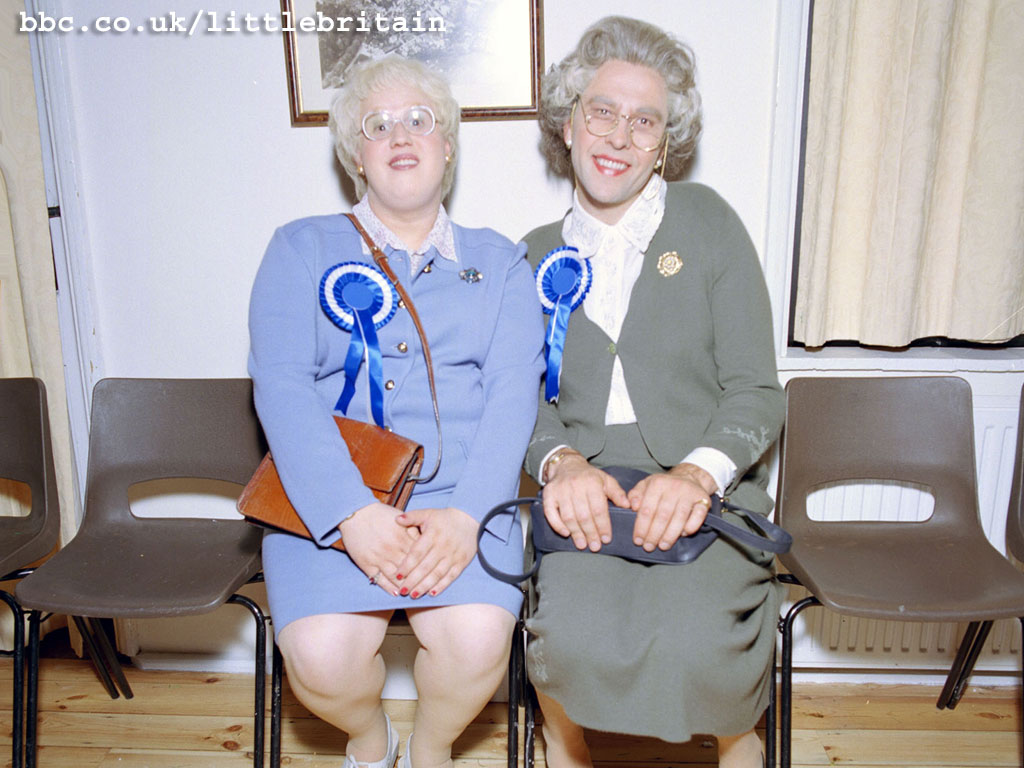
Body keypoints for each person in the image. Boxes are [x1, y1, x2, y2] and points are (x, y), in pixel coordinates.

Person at [248, 55, 544, 768]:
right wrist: (350, 514)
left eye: (419, 119)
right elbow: (282, 387)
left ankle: (430, 751)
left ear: (448, 145)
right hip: (331, 497)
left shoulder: (502, 263)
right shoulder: (298, 248)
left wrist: (468, 516)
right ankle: (370, 741)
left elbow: (514, 397)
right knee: (321, 659)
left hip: (463, 500)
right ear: (355, 155)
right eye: (377, 125)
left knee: (478, 640)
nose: (400, 135)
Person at [521, 16, 785, 768]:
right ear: (569, 123)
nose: (619, 136)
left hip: (705, 485)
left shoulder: (710, 224)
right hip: (587, 492)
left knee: (702, 643)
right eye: (602, 111)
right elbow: (518, 401)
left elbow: (756, 390)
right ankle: (564, 742)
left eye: (645, 121)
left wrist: (699, 473)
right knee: (570, 637)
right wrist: (561, 463)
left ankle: (739, 740)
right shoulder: (532, 255)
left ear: (666, 143)